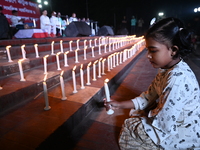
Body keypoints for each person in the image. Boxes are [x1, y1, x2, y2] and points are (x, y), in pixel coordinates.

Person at [104, 17, 200, 149]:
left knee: (130, 126)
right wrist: (119, 105)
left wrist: (145, 114)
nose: (148, 55)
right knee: (135, 114)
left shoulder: (178, 79)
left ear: (174, 50)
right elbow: (148, 97)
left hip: (182, 134)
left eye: (153, 50)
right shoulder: (166, 69)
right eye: (147, 50)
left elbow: (164, 123)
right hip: (168, 122)